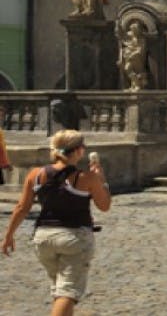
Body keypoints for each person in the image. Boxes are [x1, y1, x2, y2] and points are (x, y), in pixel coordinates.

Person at [2, 130, 111, 316]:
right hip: (74, 238)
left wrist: (8, 236)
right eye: (82, 147)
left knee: (60, 291)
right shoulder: (86, 178)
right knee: (67, 293)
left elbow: (22, 207)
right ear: (76, 151)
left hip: (43, 238)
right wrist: (102, 180)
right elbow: (104, 205)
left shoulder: (36, 174)